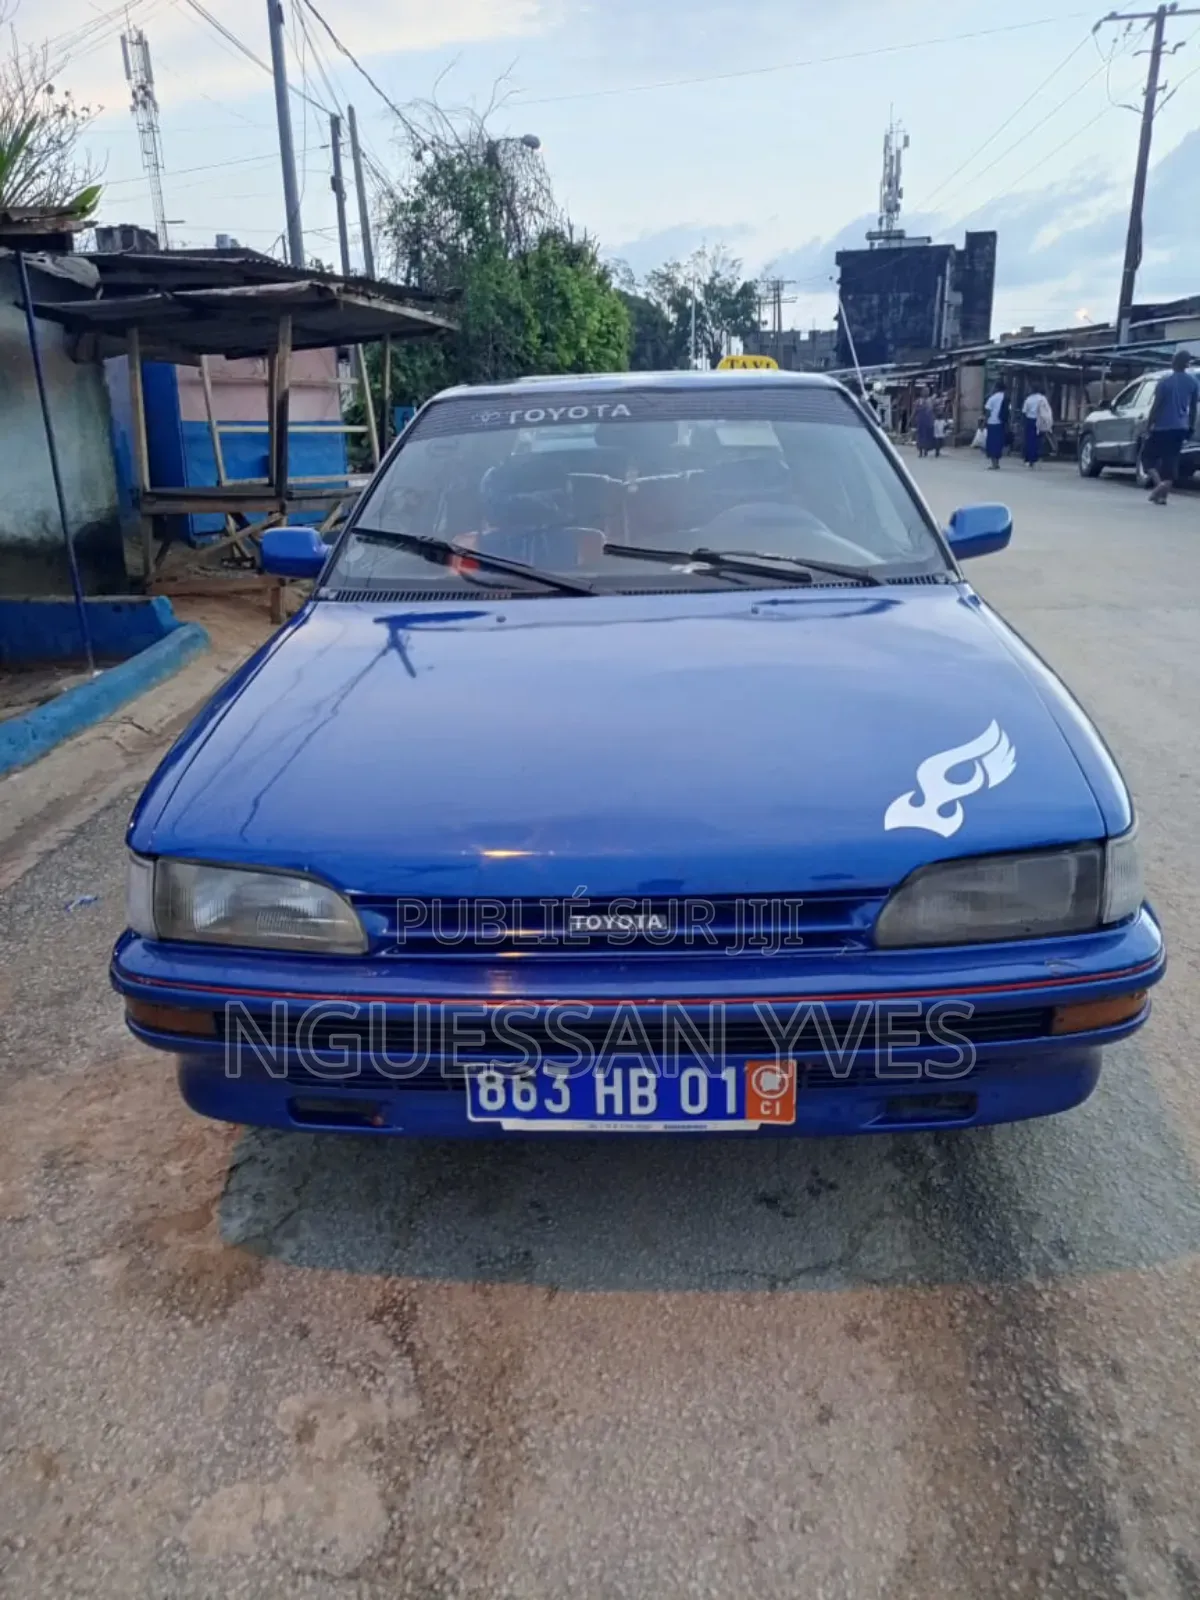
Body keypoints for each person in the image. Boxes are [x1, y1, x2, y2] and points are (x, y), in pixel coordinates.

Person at [1143, 350, 1200, 505]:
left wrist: (1149, 424)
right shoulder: (1193, 383)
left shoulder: (1164, 382)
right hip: (1180, 427)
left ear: (1173, 362)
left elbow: (1156, 406)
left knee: (1147, 457)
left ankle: (1159, 484)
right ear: (1187, 364)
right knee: (1171, 461)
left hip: (1162, 427)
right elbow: (1193, 408)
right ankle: (1162, 497)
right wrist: (1190, 427)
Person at [1021, 387, 1053, 467]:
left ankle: (1028, 459)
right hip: (1040, 421)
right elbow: (1047, 410)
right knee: (1037, 440)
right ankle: (1034, 458)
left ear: (1031, 390)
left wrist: (1023, 423)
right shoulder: (1043, 398)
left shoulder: (1028, 399)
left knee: (1029, 440)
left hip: (1030, 421)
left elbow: (1024, 412)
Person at [982, 382, 1009, 469]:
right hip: (1002, 422)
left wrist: (984, 423)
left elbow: (988, 412)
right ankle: (997, 462)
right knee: (999, 443)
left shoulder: (992, 398)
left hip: (993, 422)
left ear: (996, 388)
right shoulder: (1006, 398)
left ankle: (994, 464)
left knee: (992, 443)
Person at [914, 390, 935, 458]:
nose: (926, 393)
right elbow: (915, 409)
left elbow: (932, 410)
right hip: (920, 421)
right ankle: (920, 452)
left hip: (928, 421)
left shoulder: (930, 400)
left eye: (927, 392)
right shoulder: (918, 401)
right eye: (925, 391)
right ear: (922, 393)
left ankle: (926, 450)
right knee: (920, 437)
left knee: (927, 437)